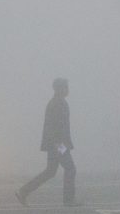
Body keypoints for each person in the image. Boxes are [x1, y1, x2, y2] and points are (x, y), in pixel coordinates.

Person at [16, 78, 82, 207]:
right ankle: (68, 200)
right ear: (60, 89)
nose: (67, 90)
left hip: (55, 144)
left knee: (50, 171)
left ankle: (23, 191)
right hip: (58, 144)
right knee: (70, 168)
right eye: (65, 87)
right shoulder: (57, 104)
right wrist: (62, 146)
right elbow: (56, 128)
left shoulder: (58, 102)